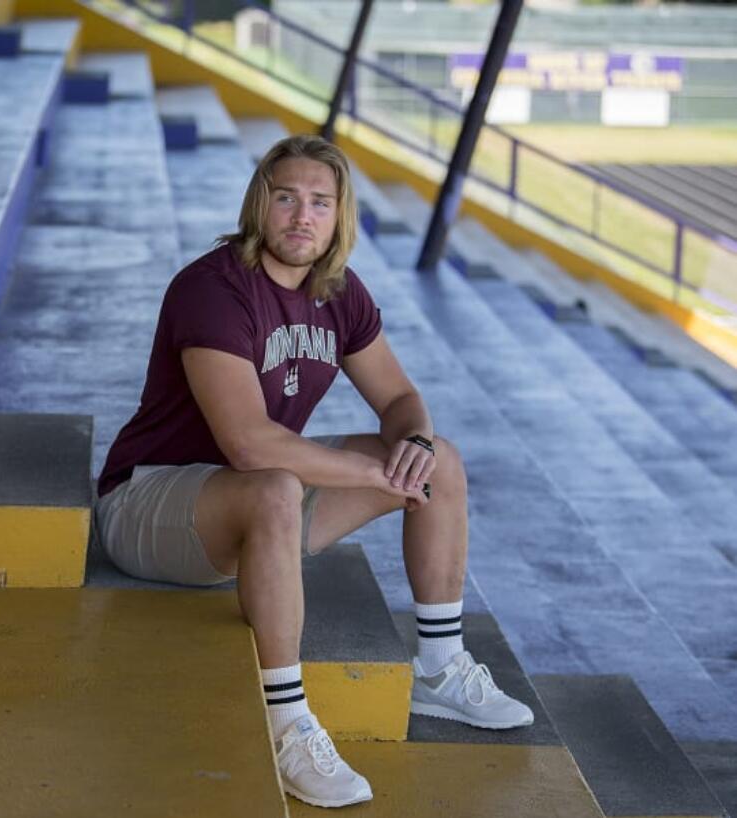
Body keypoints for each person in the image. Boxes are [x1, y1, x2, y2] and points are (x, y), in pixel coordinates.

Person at [94, 134, 533, 809]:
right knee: (274, 483)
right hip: (151, 500)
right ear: (260, 204)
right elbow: (246, 442)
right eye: (287, 198)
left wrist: (412, 442)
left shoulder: (339, 293)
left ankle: (440, 668)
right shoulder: (212, 290)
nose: (302, 216)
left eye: (319, 203)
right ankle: (287, 723)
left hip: (255, 505)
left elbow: (397, 399)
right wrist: (367, 477)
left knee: (438, 461)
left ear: (339, 214)